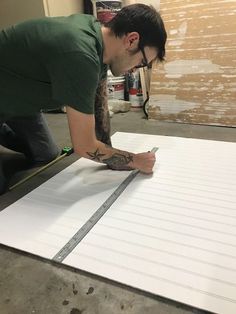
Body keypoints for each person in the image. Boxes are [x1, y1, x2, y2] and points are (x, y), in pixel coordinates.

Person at [0, 3, 167, 194]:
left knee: (46, 153)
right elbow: (83, 146)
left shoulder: (99, 41)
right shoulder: (80, 55)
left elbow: (100, 105)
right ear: (132, 40)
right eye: (142, 62)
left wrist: (112, 158)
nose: (135, 69)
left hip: (19, 96)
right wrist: (134, 160)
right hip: (8, 94)